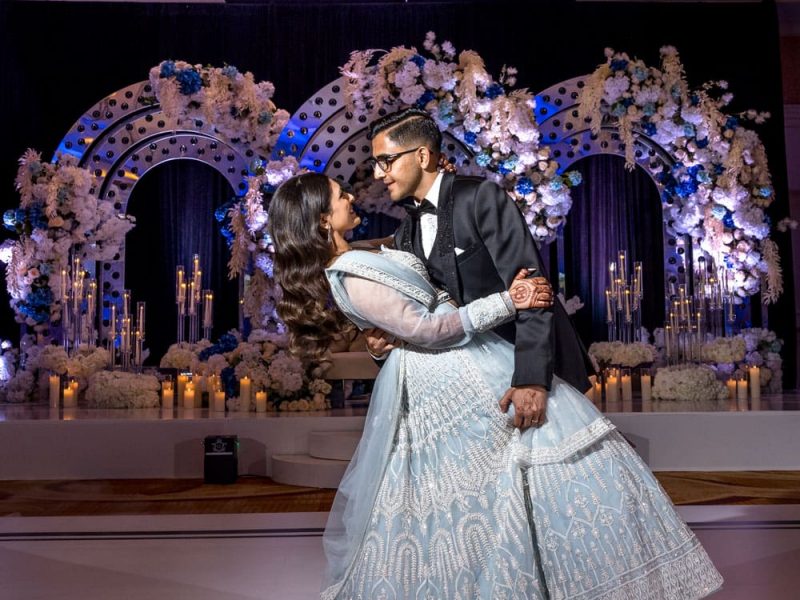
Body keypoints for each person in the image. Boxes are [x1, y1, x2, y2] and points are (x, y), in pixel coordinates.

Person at [268, 172, 723, 600]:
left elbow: (403, 315)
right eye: (339, 194)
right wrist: (510, 300)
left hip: (468, 362)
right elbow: (426, 329)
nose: (351, 196)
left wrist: (386, 337)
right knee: (490, 486)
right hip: (449, 378)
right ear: (322, 218)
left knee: (525, 472)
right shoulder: (348, 272)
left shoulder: (359, 255)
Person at [366, 108, 596, 430]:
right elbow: (426, 320)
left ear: (421, 156)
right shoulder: (406, 233)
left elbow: (533, 290)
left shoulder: (480, 197)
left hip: (540, 371)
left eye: (385, 161)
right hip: (478, 385)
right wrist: (382, 349)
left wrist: (532, 379)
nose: (378, 174)